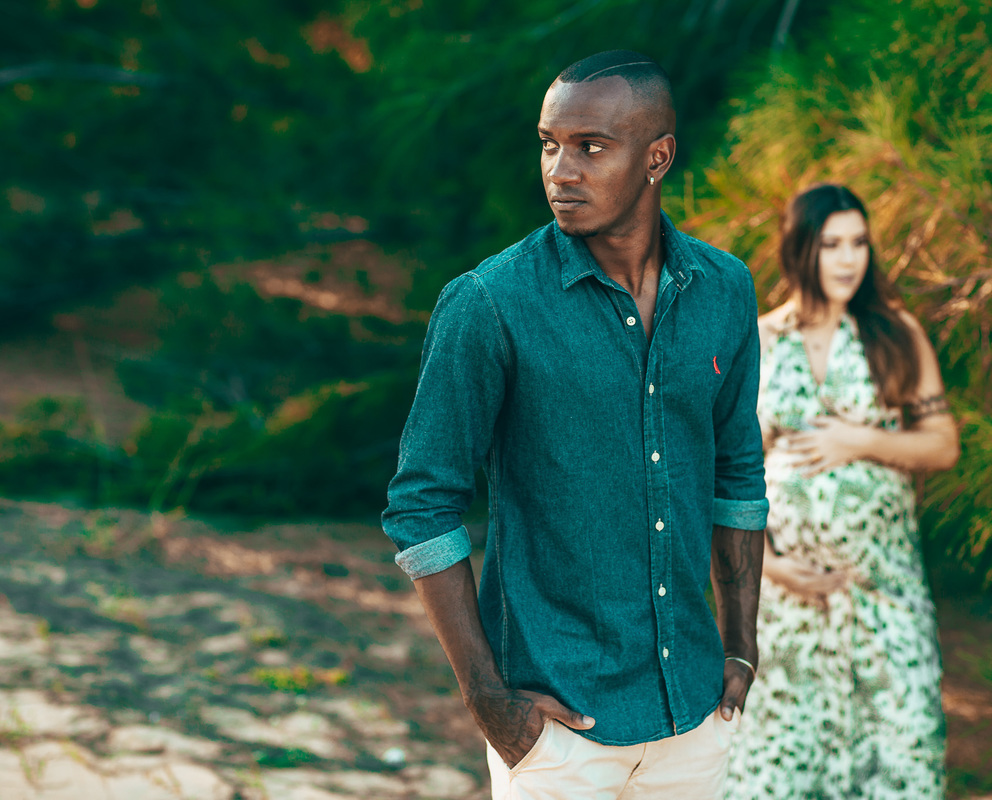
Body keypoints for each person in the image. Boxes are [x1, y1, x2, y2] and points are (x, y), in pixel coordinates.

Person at [381, 50, 768, 800]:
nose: (561, 169)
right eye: (549, 143)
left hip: (693, 716)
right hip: (558, 732)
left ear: (657, 157)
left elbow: (737, 472)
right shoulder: (490, 304)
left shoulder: (725, 289)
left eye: (591, 147)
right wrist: (488, 698)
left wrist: (741, 644)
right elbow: (421, 504)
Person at [725, 183, 960, 800]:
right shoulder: (760, 340)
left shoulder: (895, 334)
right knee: (777, 775)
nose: (849, 259)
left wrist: (861, 440)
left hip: (885, 602)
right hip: (787, 611)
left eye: (859, 243)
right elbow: (714, 473)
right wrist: (769, 568)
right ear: (800, 248)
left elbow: (942, 444)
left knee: (900, 765)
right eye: (832, 244)